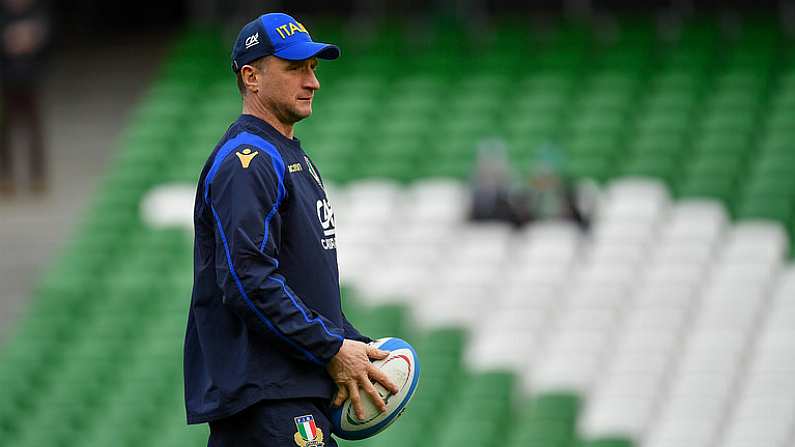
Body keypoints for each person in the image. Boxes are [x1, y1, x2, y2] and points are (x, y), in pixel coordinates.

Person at [183, 13, 398, 447]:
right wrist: (332, 349)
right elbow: (247, 281)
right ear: (252, 77)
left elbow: (303, 285)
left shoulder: (288, 157)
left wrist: (357, 346)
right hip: (269, 400)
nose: (312, 81)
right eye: (295, 67)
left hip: (288, 396)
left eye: (314, 68)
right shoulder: (248, 160)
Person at [0, 0, 49, 195]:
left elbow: (47, 37)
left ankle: (38, 176)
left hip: (30, 76)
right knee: (4, 129)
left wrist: (33, 38)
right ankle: (6, 176)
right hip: (5, 78)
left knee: (33, 127)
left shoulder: (38, 11)